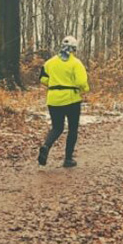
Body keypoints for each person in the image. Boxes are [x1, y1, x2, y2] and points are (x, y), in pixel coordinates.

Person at [37, 36, 89, 168]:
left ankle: (46, 146)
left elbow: (42, 79)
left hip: (53, 99)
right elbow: (81, 82)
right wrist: (85, 90)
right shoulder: (76, 63)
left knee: (57, 127)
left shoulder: (49, 62)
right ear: (74, 49)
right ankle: (68, 159)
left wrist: (54, 84)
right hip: (72, 99)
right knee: (72, 129)